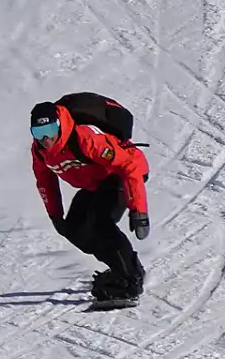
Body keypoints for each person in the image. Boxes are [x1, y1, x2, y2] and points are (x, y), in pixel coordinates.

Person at [31, 101, 150, 302]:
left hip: (123, 176)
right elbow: (45, 181)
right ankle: (125, 268)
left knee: (100, 221)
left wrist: (138, 211)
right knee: (75, 228)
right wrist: (55, 216)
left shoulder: (84, 138)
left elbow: (129, 165)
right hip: (97, 184)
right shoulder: (40, 153)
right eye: (38, 132)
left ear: (59, 125)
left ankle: (129, 281)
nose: (45, 138)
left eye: (50, 130)